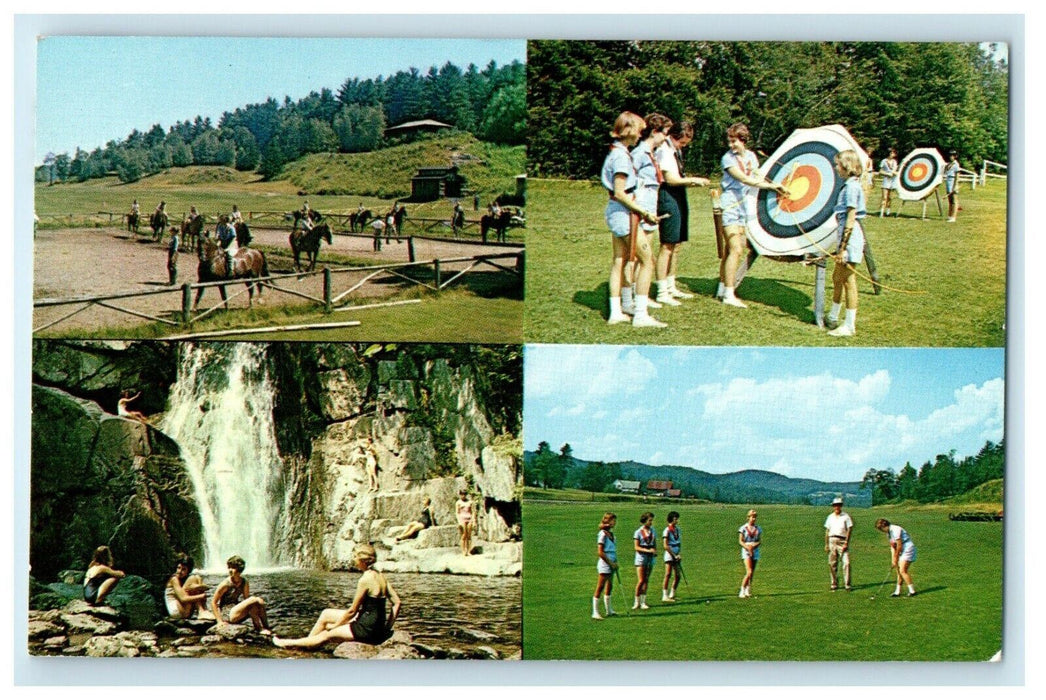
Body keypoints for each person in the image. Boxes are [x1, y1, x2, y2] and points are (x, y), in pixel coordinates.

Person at [717, 123, 790, 308]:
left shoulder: (751, 156)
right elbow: (744, 178)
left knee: (729, 251)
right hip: (730, 206)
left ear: (743, 140)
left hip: (745, 207)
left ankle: (722, 287)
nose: (731, 145)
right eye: (729, 141)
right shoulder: (727, 159)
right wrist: (772, 186)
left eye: (734, 141)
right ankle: (728, 294)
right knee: (736, 249)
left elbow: (757, 175)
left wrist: (777, 182)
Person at [274, 544, 401, 649]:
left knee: (325, 635)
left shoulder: (365, 580)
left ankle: (288, 643)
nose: (353, 560)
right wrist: (387, 627)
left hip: (365, 630)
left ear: (362, 560)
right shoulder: (380, 576)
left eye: (355, 557)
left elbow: (352, 611)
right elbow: (397, 603)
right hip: (374, 625)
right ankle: (309, 643)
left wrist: (336, 627)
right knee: (326, 614)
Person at [601, 112, 662, 326]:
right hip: (623, 214)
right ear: (628, 131)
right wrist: (644, 212)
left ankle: (618, 310)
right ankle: (641, 314)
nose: (640, 135)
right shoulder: (620, 157)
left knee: (620, 261)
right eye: (638, 130)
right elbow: (620, 192)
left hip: (618, 213)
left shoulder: (618, 153)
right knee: (647, 261)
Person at [655, 120, 709, 306]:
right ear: (673, 136)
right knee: (667, 245)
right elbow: (670, 179)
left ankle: (671, 285)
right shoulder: (664, 150)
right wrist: (694, 180)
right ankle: (662, 290)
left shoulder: (675, 150)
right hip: (667, 195)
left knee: (677, 244)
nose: (683, 147)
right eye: (682, 143)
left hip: (678, 195)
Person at [627, 113, 673, 327]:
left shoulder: (652, 153)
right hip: (640, 208)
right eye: (664, 134)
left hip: (650, 207)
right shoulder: (639, 154)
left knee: (646, 257)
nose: (666, 138)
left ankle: (639, 299)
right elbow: (628, 182)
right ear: (655, 132)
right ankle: (638, 310)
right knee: (643, 260)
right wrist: (638, 209)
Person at [824, 150, 868, 337]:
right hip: (846, 235)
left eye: (838, 164)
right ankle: (833, 315)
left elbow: (850, 218)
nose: (836, 167)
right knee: (837, 277)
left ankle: (849, 325)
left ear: (847, 166)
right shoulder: (850, 185)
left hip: (850, 238)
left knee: (849, 280)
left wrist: (842, 248)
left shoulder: (851, 188)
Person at [209, 555, 272, 635]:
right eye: (229, 567)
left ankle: (266, 627)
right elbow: (213, 602)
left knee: (255, 603)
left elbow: (246, 600)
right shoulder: (225, 584)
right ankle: (259, 628)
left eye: (233, 568)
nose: (230, 570)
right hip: (227, 614)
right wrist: (219, 621)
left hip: (237, 612)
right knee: (255, 600)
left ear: (239, 570)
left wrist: (257, 605)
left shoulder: (244, 582)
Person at [875, 518, 917, 597]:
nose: (881, 531)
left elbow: (899, 545)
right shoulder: (889, 533)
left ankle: (912, 591)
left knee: (902, 570)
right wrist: (893, 560)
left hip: (908, 548)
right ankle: (897, 591)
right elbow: (893, 546)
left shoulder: (895, 529)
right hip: (901, 549)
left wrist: (896, 557)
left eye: (881, 529)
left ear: (884, 526)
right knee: (898, 571)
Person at [164, 553, 213, 620]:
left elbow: (206, 587)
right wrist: (202, 596)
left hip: (184, 610)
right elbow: (183, 599)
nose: (179, 571)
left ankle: (203, 610)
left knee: (197, 577)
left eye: (183, 569)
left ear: (188, 571)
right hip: (176, 611)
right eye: (178, 568)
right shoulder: (174, 579)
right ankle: (201, 611)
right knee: (193, 578)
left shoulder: (185, 579)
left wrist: (196, 587)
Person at [592, 512, 619, 620]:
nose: (614, 523)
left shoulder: (612, 534)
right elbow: (600, 552)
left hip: (612, 561)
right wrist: (610, 563)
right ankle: (595, 611)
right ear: (607, 521)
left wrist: (615, 563)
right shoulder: (602, 534)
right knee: (600, 586)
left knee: (610, 586)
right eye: (613, 520)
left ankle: (609, 610)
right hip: (605, 563)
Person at [824, 497, 853, 591]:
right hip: (832, 540)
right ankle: (834, 583)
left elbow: (849, 529)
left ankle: (847, 584)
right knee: (832, 563)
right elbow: (827, 531)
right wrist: (826, 544)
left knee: (846, 563)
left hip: (842, 540)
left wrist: (846, 543)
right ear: (833, 506)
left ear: (841, 506)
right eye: (835, 505)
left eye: (839, 505)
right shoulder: (830, 517)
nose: (837, 507)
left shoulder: (846, 516)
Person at [632, 511, 657, 609]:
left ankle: (643, 601)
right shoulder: (638, 532)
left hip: (650, 557)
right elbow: (636, 547)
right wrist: (648, 550)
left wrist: (654, 551)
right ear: (644, 520)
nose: (651, 522)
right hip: (641, 557)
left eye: (652, 520)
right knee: (641, 580)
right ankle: (636, 601)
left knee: (646, 580)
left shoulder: (653, 531)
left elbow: (654, 544)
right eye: (649, 520)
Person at [738, 509, 761, 598]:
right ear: (748, 517)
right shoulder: (743, 528)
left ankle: (748, 589)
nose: (754, 519)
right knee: (749, 571)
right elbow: (740, 541)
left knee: (752, 572)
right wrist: (748, 547)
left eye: (755, 517)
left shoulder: (758, 528)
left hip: (755, 549)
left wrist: (754, 546)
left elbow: (759, 540)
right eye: (752, 517)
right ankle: (742, 589)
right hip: (746, 550)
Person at [661, 510, 682, 602]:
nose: (676, 521)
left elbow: (679, 542)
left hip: (676, 552)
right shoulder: (667, 530)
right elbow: (665, 545)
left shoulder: (678, 530)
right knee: (668, 574)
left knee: (678, 575)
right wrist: (673, 555)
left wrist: (678, 554)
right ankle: (665, 595)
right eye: (675, 519)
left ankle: (672, 593)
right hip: (670, 553)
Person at [878, 147, 899, 217]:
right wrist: (887, 174)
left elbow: (895, 170)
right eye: (892, 153)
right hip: (886, 180)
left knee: (890, 197)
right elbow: (880, 171)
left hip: (892, 181)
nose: (893, 154)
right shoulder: (884, 161)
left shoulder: (895, 162)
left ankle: (888, 212)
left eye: (893, 153)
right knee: (884, 197)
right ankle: (881, 212)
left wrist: (895, 173)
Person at [455, 489, 475, 556]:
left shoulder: (470, 502)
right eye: (462, 494)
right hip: (462, 519)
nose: (463, 496)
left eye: (464, 494)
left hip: (469, 518)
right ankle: (463, 551)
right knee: (464, 535)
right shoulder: (458, 502)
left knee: (469, 535)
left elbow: (473, 512)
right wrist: (459, 521)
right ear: (460, 495)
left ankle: (468, 550)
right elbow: (457, 513)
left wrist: (473, 520)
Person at [945, 150, 961, 223]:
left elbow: (957, 176)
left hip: (953, 180)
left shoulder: (956, 165)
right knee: (950, 200)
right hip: (948, 181)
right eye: (950, 155)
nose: (950, 157)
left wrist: (955, 186)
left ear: (955, 156)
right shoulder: (949, 164)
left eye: (952, 155)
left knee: (954, 200)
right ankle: (950, 215)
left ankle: (953, 217)